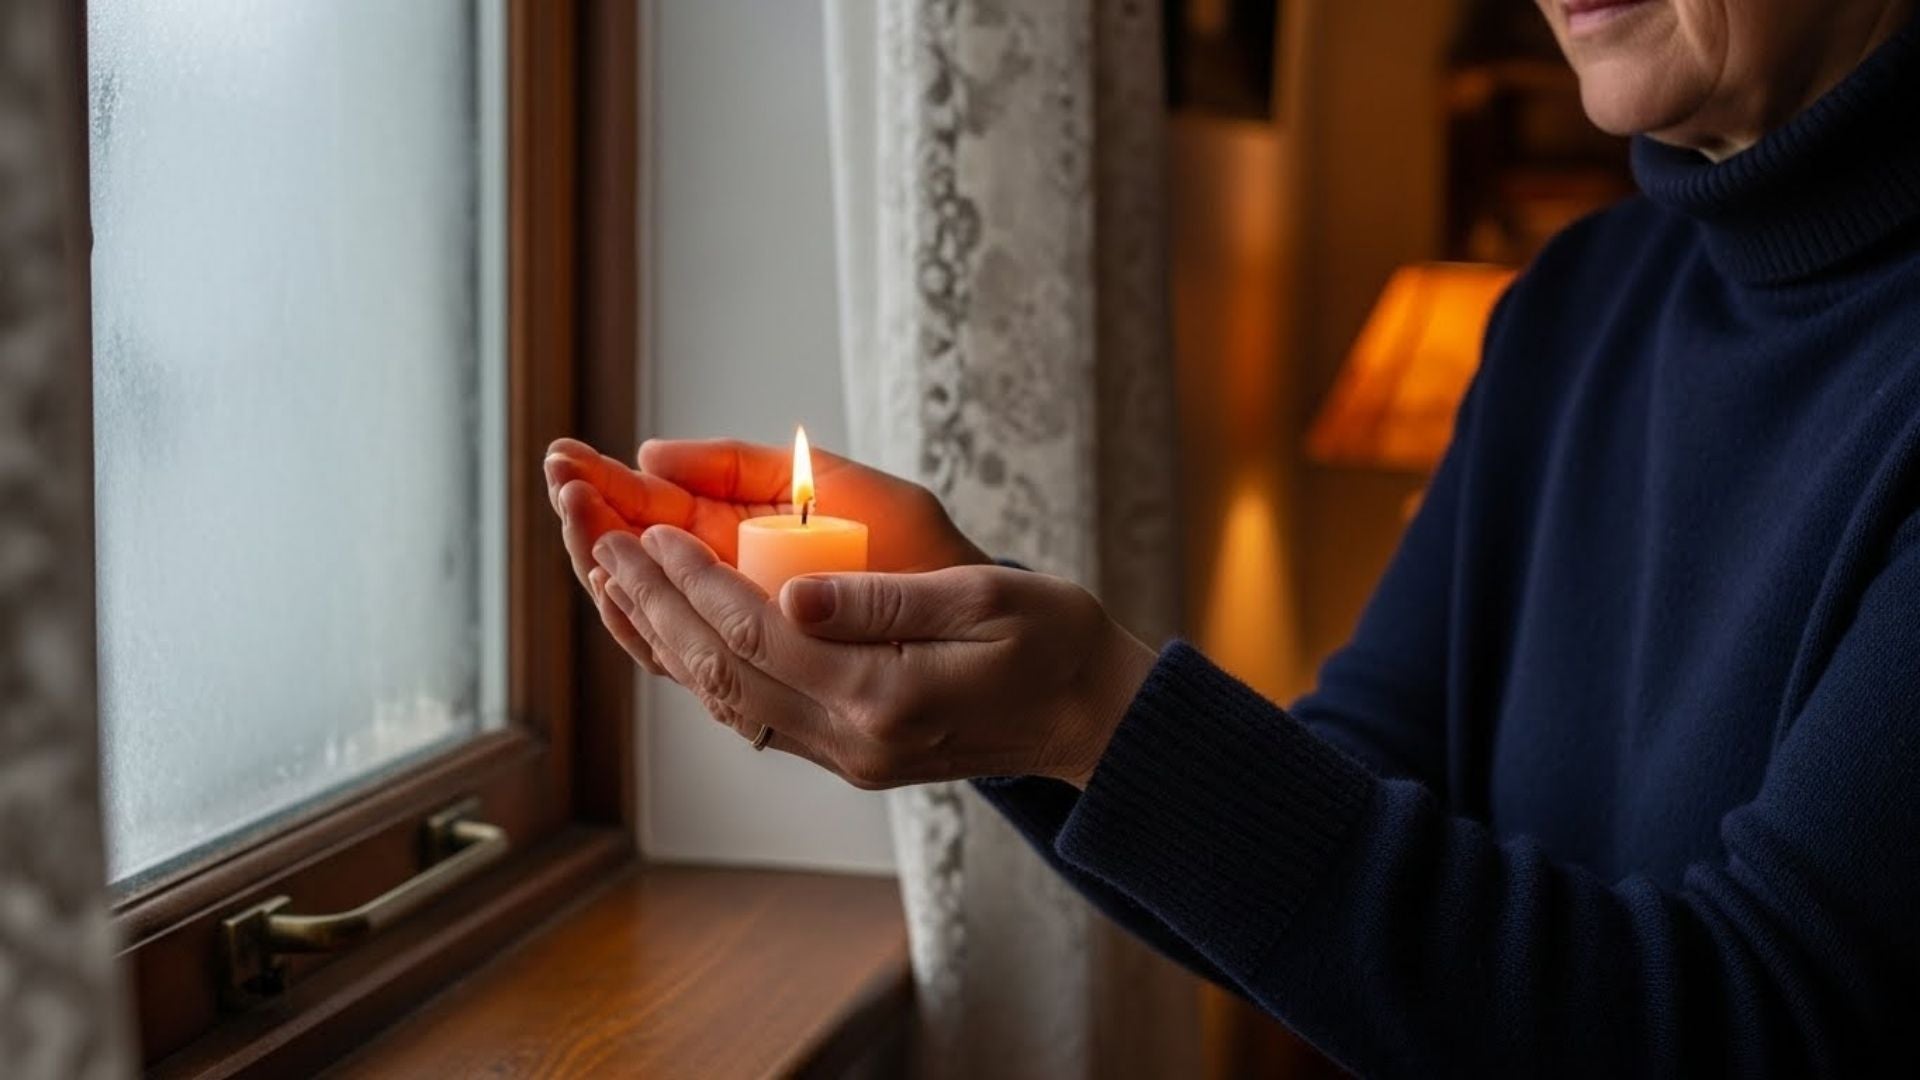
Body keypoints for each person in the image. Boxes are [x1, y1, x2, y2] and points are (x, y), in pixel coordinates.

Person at [545, 0, 1920, 1072]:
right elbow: (1343, 810)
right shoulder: (1572, 308)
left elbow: (1752, 1029)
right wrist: (985, 654)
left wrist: (1085, 709)